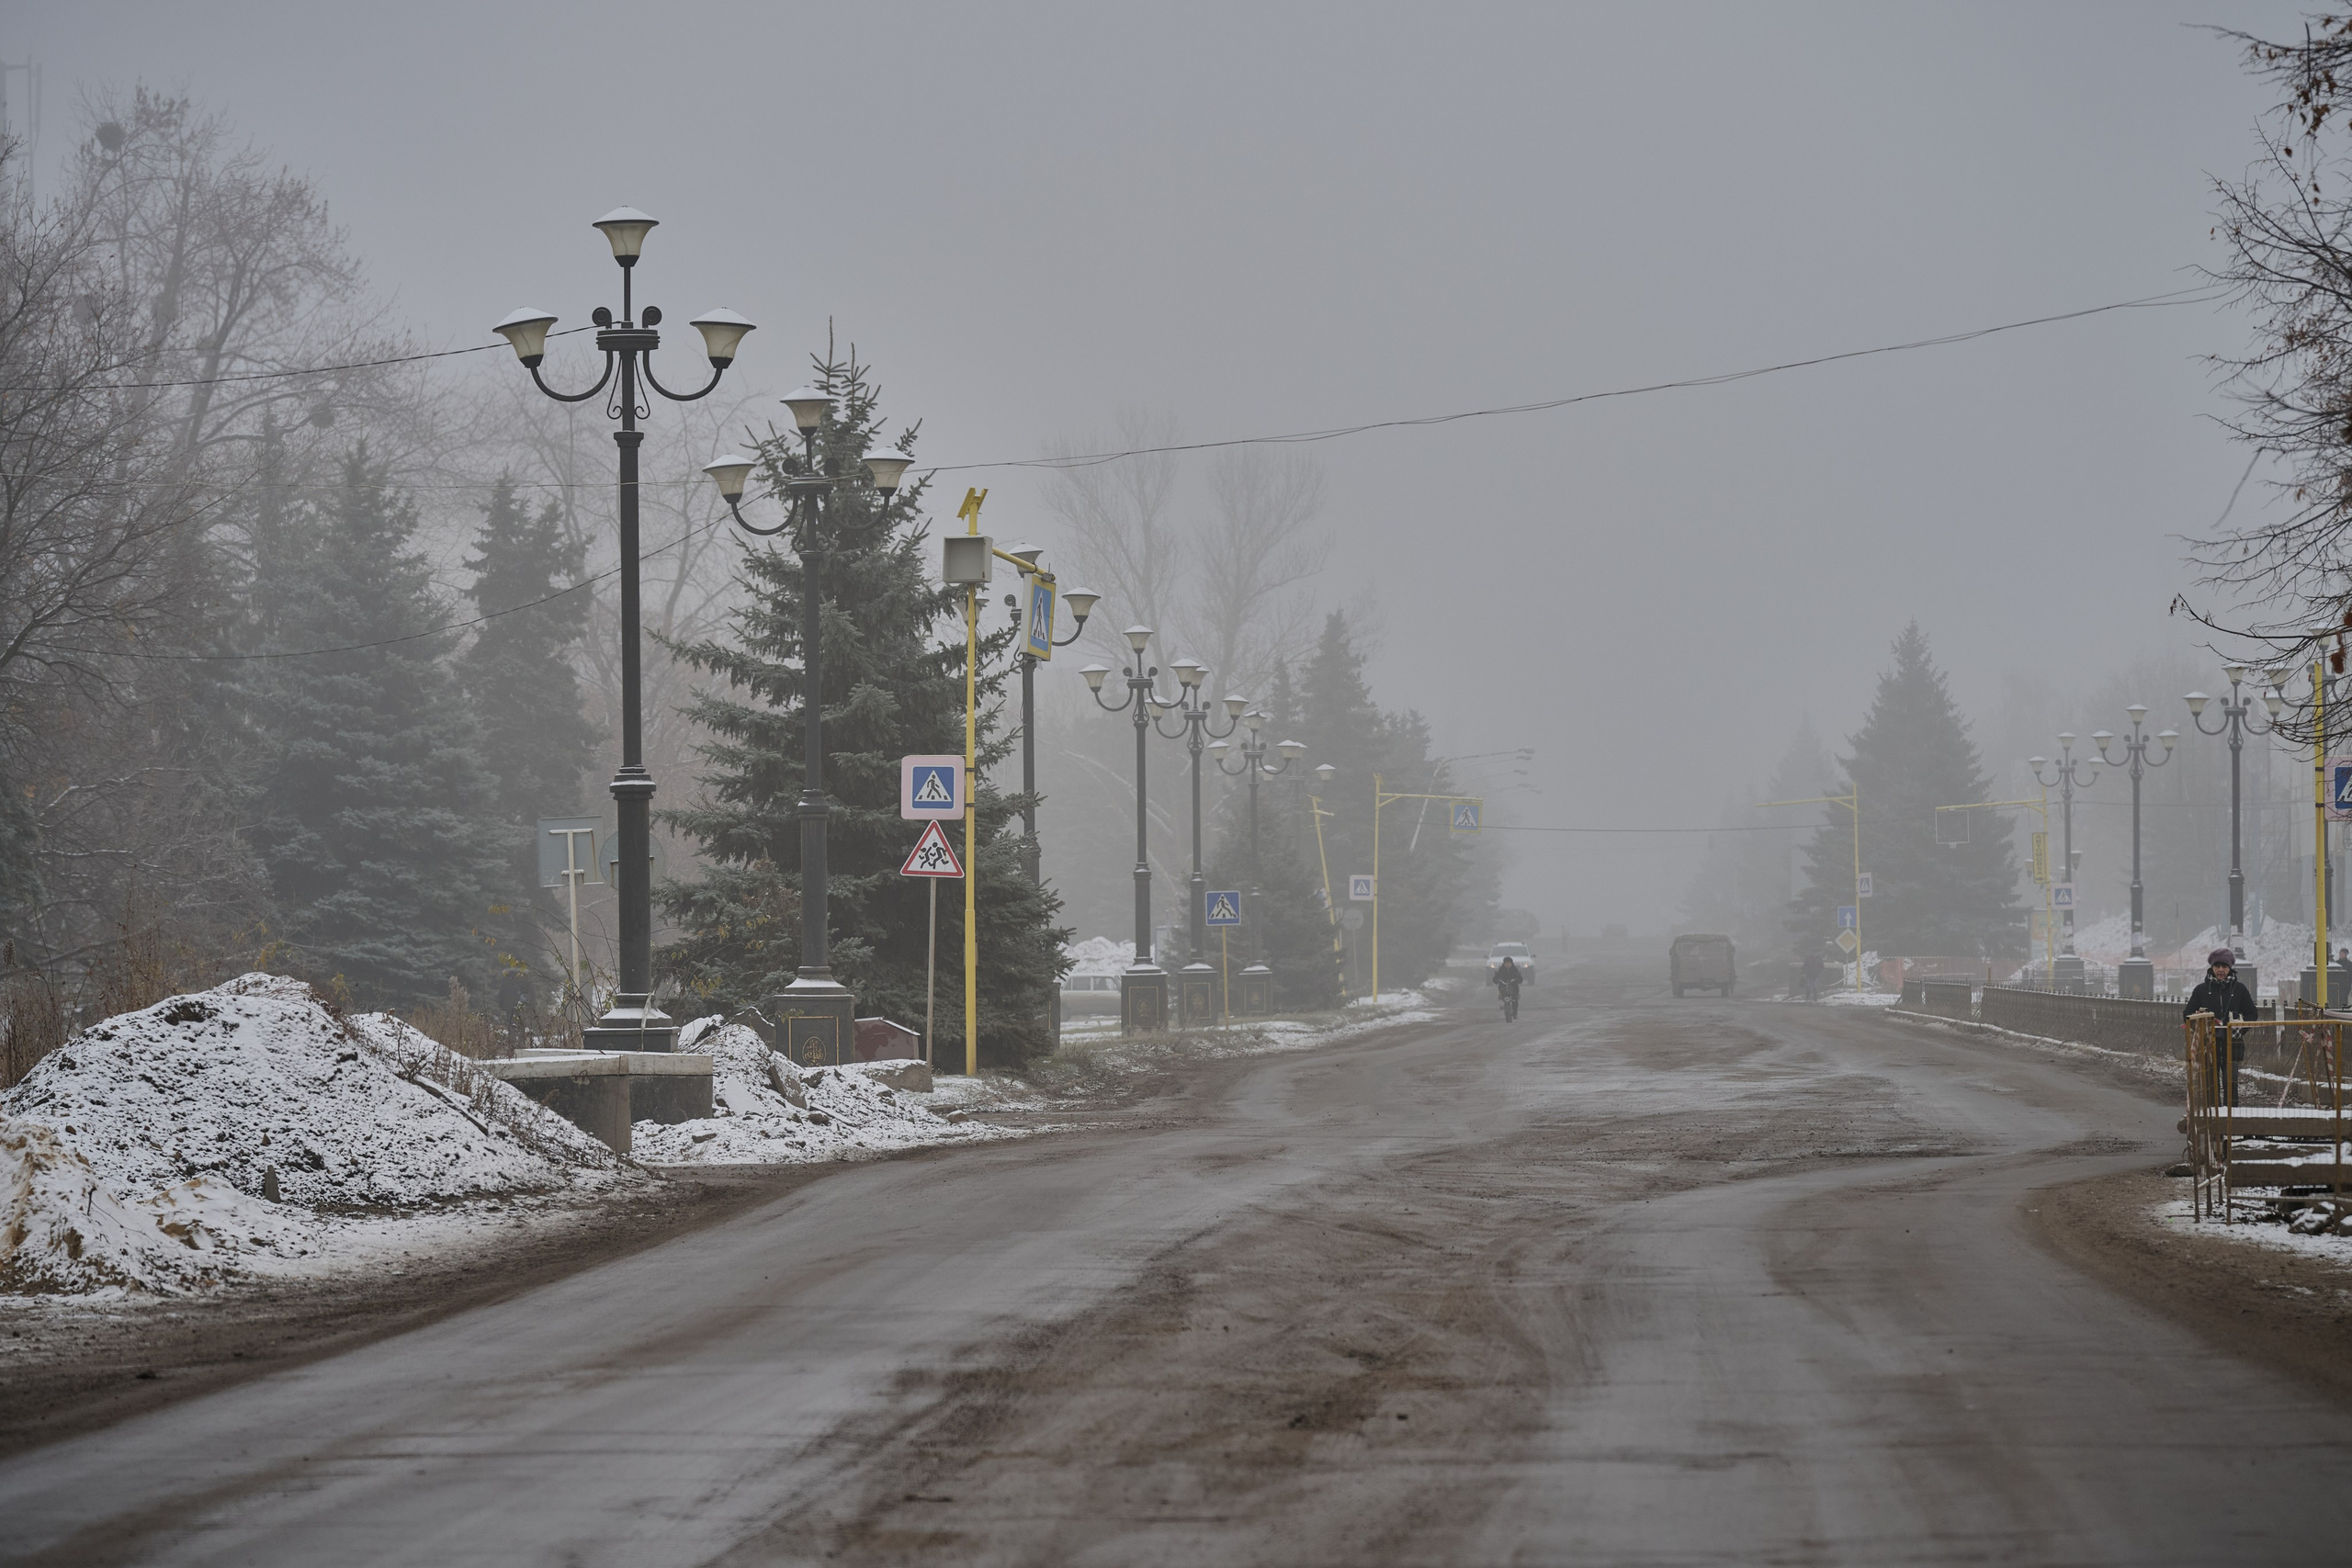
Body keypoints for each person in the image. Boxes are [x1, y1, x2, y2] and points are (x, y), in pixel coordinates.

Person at [2183, 948, 2258, 1106]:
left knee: (2231, 1084)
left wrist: (2239, 1029)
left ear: (2230, 968)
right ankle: (2214, 1122)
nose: (2221, 970)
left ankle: (2232, 1121)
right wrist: (2200, 1027)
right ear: (2211, 968)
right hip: (2208, 1045)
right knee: (2211, 1086)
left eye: (2224, 966)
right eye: (2217, 966)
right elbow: (2187, 1015)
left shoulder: (2239, 989)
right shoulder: (2201, 990)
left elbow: (2252, 1013)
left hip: (2233, 1045)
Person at [1494, 954, 1521, 1020]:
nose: (1507, 964)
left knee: (1515, 999)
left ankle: (1515, 1013)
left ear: (1511, 963)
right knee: (1504, 995)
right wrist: (1498, 980)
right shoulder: (1501, 970)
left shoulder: (1515, 970)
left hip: (1513, 987)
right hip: (1503, 987)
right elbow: (1495, 978)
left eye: (1509, 963)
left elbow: (1520, 978)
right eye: (1506, 963)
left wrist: (1516, 980)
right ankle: (1502, 998)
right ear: (1504, 964)